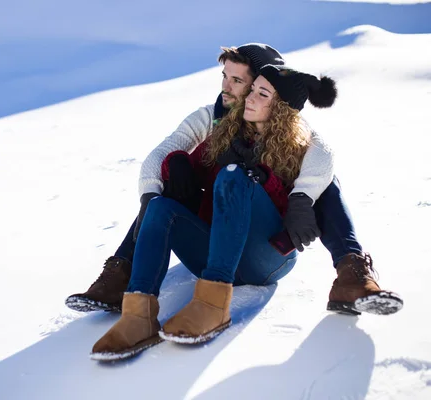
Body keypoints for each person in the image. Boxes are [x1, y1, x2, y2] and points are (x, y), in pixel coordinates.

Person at [66, 44, 403, 318]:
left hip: (264, 250)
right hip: (211, 246)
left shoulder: (287, 125)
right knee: (165, 183)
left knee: (323, 180)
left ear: (263, 84)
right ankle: (120, 273)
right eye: (224, 76)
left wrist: (301, 197)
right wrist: (156, 191)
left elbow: (322, 152)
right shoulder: (212, 117)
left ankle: (351, 272)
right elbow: (162, 151)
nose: (226, 86)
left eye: (238, 81)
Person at [90, 65, 342, 361]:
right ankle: (139, 315)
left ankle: (212, 305)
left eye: (263, 94)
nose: (249, 98)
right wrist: (178, 164)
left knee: (234, 175)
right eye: (252, 90)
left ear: (283, 109)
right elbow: (185, 166)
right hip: (215, 253)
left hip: (267, 260)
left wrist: (263, 180)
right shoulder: (226, 135)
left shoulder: (301, 149)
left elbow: (294, 211)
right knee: (161, 207)